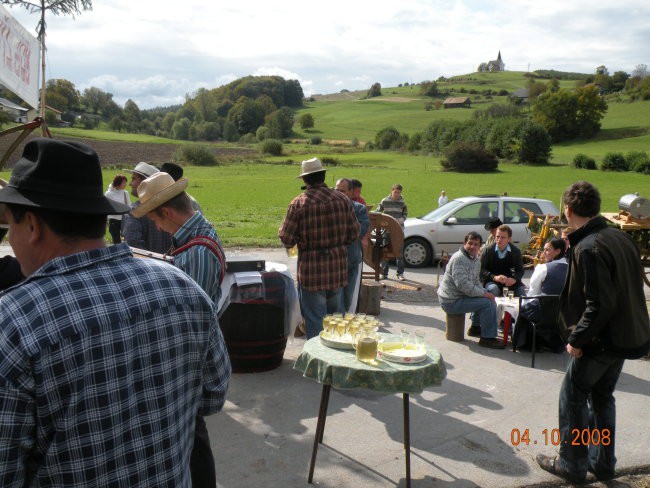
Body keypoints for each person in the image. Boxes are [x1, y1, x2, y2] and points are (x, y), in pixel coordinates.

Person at [0, 138, 231, 486]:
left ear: (32, 225)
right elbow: (213, 397)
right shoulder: (184, 288)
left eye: (9, 228)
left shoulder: (14, 322)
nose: (10, 241)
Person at [536, 181, 650, 484]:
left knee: (572, 396)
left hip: (602, 341)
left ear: (568, 209)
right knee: (602, 397)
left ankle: (572, 464)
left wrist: (576, 339)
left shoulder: (590, 247)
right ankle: (602, 465)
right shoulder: (616, 236)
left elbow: (600, 303)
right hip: (627, 338)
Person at [132, 171, 226, 488]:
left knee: (193, 438)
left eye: (155, 220)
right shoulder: (193, 237)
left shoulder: (196, 250)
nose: (156, 227)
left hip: (187, 361)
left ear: (168, 213)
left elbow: (191, 320)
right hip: (189, 359)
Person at [278, 158, 359, 339]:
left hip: (311, 273)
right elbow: (354, 234)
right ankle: (336, 360)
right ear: (323, 176)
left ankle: (318, 362)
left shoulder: (299, 204)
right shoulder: (343, 200)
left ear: (305, 180)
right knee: (336, 321)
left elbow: (287, 239)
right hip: (337, 269)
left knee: (315, 321)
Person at [437, 231, 505, 349]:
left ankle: (475, 328)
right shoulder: (459, 258)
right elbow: (463, 286)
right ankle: (487, 338)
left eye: (476, 244)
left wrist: (484, 292)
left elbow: (476, 282)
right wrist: (484, 293)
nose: (472, 247)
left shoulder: (475, 259)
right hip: (450, 301)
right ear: (464, 243)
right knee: (487, 304)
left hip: (460, 296)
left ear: (479, 246)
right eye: (470, 243)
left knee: (486, 297)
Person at [513, 238, 568, 351]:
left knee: (522, 308)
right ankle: (554, 342)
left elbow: (533, 292)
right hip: (565, 313)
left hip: (545, 313)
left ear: (558, 251)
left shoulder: (543, 268)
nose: (544, 253)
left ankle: (527, 343)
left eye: (547, 250)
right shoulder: (573, 267)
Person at [122, 161, 174, 254]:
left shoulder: (134, 211)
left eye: (134, 179)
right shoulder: (169, 209)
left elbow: (133, 245)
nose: (130, 184)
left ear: (144, 182)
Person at [335, 178, 370, 312]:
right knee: (334, 296)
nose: (338, 193)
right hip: (333, 260)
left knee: (348, 296)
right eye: (336, 190)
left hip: (350, 258)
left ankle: (343, 321)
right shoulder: (329, 207)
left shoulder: (359, 208)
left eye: (342, 191)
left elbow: (360, 231)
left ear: (351, 192)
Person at [480, 224, 525, 298]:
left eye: (503, 237)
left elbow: (520, 270)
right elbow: (481, 269)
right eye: (497, 237)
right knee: (494, 289)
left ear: (509, 239)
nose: (499, 239)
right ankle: (494, 309)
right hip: (492, 281)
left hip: (510, 281)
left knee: (522, 291)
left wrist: (514, 279)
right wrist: (494, 277)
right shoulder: (488, 250)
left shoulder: (515, 251)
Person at [378, 183, 408, 280]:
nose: (397, 194)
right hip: (386, 230)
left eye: (398, 193)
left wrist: (400, 221)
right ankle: (384, 273)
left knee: (399, 252)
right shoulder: (384, 201)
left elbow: (405, 214)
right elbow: (378, 211)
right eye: (395, 192)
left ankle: (400, 274)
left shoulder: (402, 202)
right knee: (385, 251)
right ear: (392, 191)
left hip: (399, 230)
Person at [104, 173, 130, 244]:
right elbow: (105, 209)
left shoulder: (125, 193)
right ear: (118, 182)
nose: (125, 184)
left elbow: (129, 207)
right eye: (123, 182)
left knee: (127, 240)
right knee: (117, 242)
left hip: (124, 220)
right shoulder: (108, 194)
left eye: (125, 182)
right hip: (113, 221)